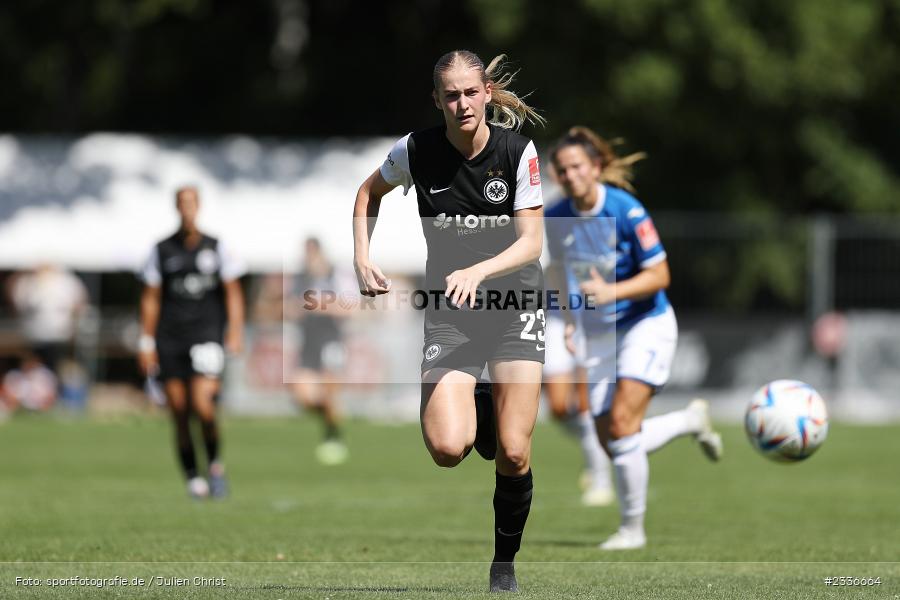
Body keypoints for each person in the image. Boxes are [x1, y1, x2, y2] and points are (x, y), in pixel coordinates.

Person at [353, 50, 545, 592]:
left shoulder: (516, 151)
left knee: (513, 451)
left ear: (486, 92)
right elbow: (368, 193)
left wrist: (479, 271)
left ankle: (503, 564)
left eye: (469, 92)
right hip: (453, 314)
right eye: (450, 95)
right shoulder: (416, 150)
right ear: (438, 101)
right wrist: (362, 256)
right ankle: (482, 405)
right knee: (446, 449)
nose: (461, 104)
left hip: (514, 307)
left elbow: (531, 243)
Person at [545, 126, 723, 551]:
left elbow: (660, 275)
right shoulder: (554, 217)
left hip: (648, 323)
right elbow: (556, 269)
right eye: (562, 170)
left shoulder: (626, 210)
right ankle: (687, 421)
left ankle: (631, 531)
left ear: (597, 168)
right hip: (599, 332)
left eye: (576, 167)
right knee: (613, 441)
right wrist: (569, 319)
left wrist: (613, 292)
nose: (569, 176)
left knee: (623, 428)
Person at [137, 186, 246, 499]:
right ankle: (192, 477)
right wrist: (146, 341)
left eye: (191, 203)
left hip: (206, 335)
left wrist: (235, 331)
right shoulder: (161, 250)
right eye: (181, 204)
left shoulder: (216, 247)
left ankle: (214, 465)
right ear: (176, 207)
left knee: (204, 406)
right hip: (170, 337)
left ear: (198, 207)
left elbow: (233, 292)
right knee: (180, 411)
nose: (187, 209)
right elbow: (151, 298)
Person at [289, 237, 352, 465]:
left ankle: (333, 437)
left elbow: (350, 307)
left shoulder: (335, 275)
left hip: (330, 341)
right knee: (302, 396)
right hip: (308, 342)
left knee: (328, 392)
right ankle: (331, 422)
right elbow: (291, 307)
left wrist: (320, 304)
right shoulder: (299, 279)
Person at [541, 309, 613, 506]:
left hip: (590, 319)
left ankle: (601, 481)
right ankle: (595, 445)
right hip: (557, 320)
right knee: (558, 408)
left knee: (585, 406)